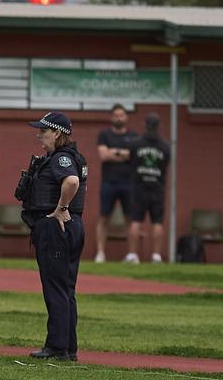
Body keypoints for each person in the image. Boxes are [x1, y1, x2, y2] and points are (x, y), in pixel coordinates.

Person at [16, 111, 86, 362]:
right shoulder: (74, 156)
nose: (39, 136)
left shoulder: (62, 159)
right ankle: (68, 348)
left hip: (56, 225)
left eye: (44, 132)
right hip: (73, 225)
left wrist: (61, 209)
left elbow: (71, 182)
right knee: (66, 288)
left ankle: (57, 346)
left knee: (56, 288)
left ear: (57, 133)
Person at [124, 113, 170, 264]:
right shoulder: (165, 146)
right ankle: (156, 255)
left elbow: (130, 160)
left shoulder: (135, 143)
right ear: (159, 126)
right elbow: (165, 165)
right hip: (157, 186)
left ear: (145, 125)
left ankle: (132, 255)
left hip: (139, 186)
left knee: (136, 220)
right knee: (157, 221)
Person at [94, 104, 138, 263]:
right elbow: (104, 156)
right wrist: (124, 153)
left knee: (130, 218)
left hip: (128, 183)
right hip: (109, 183)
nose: (119, 118)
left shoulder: (134, 136)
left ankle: (132, 254)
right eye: (116, 115)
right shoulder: (104, 135)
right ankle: (100, 253)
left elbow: (134, 156)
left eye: (121, 115)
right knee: (104, 217)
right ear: (111, 117)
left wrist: (114, 152)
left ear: (126, 117)